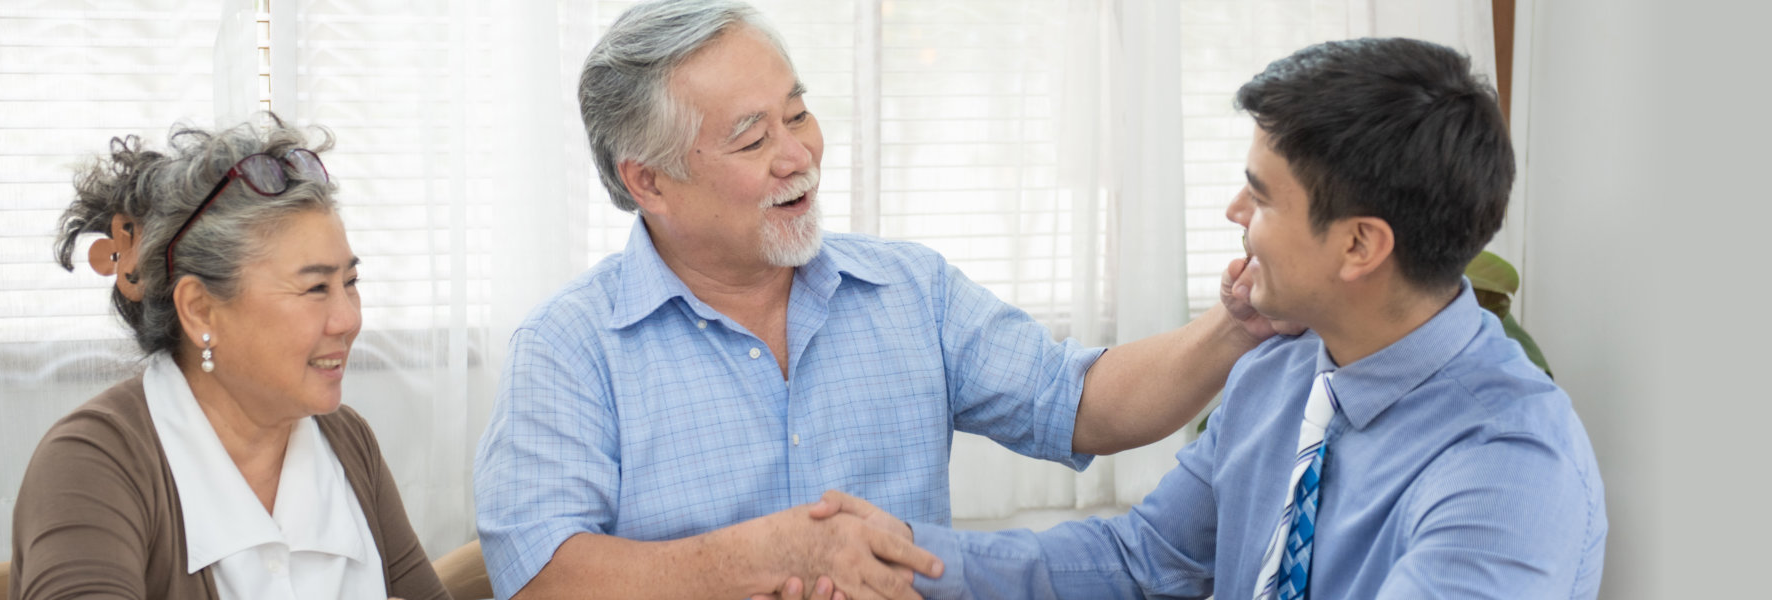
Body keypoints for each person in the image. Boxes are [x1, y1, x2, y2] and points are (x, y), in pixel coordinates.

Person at [472, 1, 1292, 599]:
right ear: (648, 181)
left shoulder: (908, 290)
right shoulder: (569, 346)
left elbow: (1078, 405)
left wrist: (1232, 328)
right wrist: (766, 555)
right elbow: (546, 578)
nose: (799, 155)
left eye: (799, 114)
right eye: (753, 139)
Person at [804, 38, 1608, 599]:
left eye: (1260, 196)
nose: (1234, 212)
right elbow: (1142, 559)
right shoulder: (1283, 371)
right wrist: (894, 554)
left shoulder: (1508, 464)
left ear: (1360, 245)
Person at [10, 117, 450, 600]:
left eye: (350, 283)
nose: (347, 320)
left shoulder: (348, 443)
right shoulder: (92, 463)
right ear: (200, 310)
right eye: (315, 288)